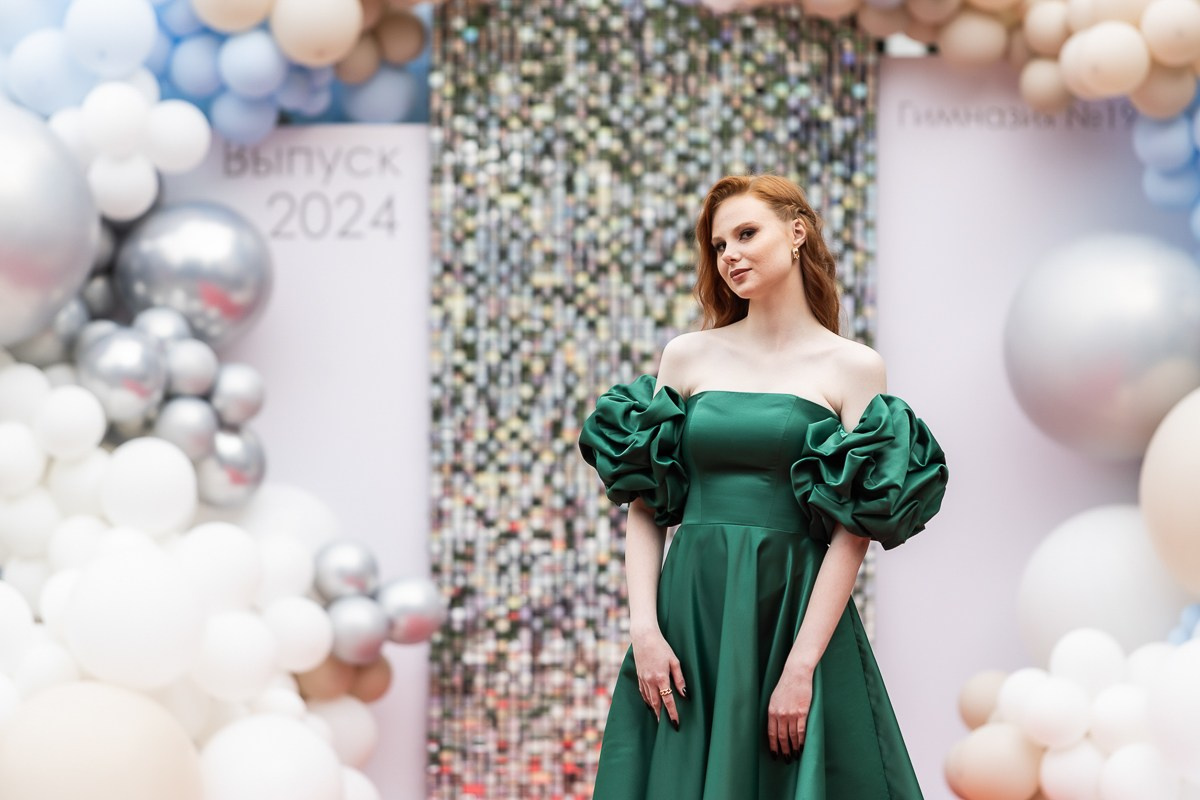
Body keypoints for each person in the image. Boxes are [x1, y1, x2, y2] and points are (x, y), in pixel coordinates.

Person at [577, 174, 949, 799]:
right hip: (690, 613)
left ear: (797, 232)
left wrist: (801, 666)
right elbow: (645, 504)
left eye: (746, 234)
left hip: (792, 612)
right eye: (719, 245)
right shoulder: (687, 356)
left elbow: (853, 531)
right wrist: (644, 630)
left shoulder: (852, 366)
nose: (730, 256)